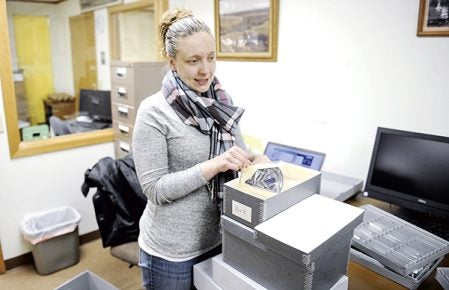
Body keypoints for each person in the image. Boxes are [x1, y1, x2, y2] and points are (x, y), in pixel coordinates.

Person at [132, 7, 270, 290]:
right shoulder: (153, 111)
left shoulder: (221, 100)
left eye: (211, 57)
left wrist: (255, 159)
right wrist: (214, 165)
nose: (205, 70)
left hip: (219, 238)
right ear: (172, 62)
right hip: (172, 252)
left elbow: (237, 153)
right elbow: (155, 189)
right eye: (193, 60)